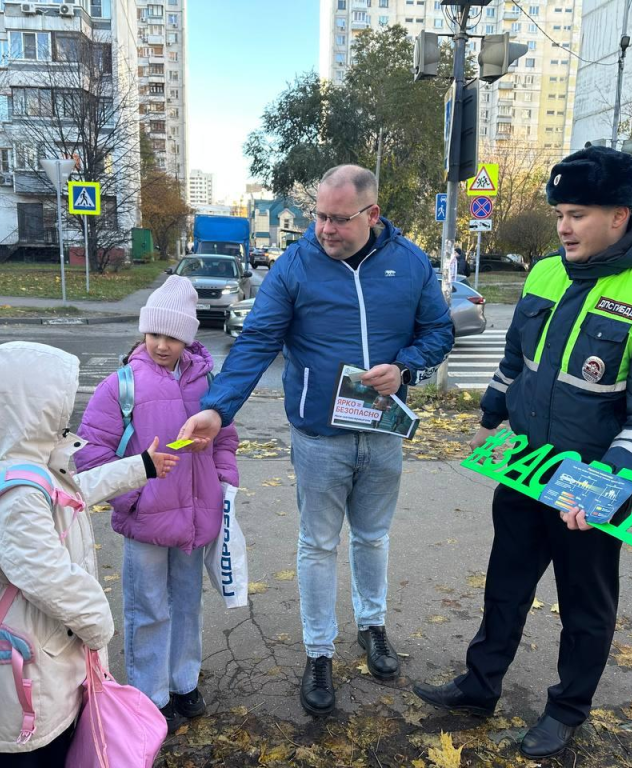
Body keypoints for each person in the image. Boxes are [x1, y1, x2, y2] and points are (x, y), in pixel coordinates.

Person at [412, 145, 632, 759]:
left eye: (578, 214)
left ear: (620, 215)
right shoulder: (545, 273)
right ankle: (478, 687)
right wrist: (493, 414)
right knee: (505, 588)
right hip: (524, 466)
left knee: (585, 606)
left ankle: (566, 711)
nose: (564, 226)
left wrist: (608, 487)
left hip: (590, 485)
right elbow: (518, 360)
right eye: (560, 214)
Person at [177, 165, 455, 716]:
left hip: (382, 431)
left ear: (371, 215)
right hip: (318, 436)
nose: (324, 229)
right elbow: (257, 340)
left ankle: (372, 627)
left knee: (372, 538)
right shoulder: (296, 265)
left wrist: (405, 366)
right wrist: (217, 408)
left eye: (338, 219)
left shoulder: (410, 261)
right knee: (318, 544)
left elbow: (438, 331)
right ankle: (318, 651)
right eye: (319, 216)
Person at [0, 341, 178, 767]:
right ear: (31, 408)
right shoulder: (19, 495)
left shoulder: (19, 464)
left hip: (46, 650)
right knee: (35, 752)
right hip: (31, 666)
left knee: (58, 739)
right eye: (56, 404)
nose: (65, 415)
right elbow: (52, 580)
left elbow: (74, 493)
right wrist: (99, 626)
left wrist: (141, 467)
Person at [74, 276, 239, 734]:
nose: (162, 345)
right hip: (146, 520)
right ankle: (151, 694)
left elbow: (225, 436)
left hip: (195, 517)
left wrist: (224, 480)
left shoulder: (208, 383)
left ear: (188, 337)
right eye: (154, 334)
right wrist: (134, 493)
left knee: (187, 603)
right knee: (148, 608)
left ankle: (183, 681)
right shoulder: (121, 385)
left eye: (172, 336)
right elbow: (92, 452)